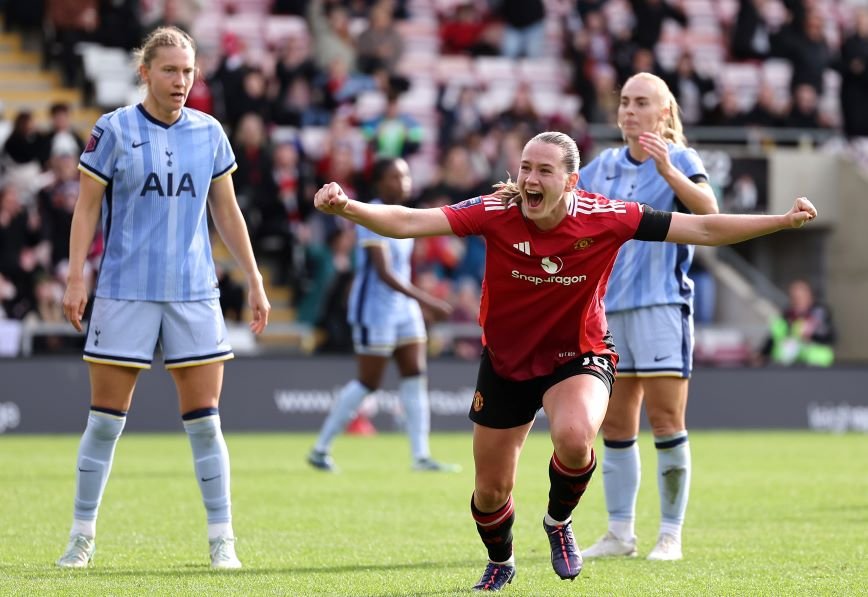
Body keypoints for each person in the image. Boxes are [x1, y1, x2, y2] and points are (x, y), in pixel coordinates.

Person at [312, 130, 817, 590]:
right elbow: (408, 222)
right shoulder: (495, 211)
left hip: (579, 355)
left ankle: (558, 522)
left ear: (571, 180)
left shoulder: (608, 217)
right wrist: (348, 208)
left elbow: (704, 230)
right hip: (506, 361)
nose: (530, 179)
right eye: (526, 168)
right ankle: (502, 560)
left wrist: (782, 221)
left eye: (544, 170)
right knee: (489, 493)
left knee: (575, 438)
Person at [55, 26, 271, 570]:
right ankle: (81, 537)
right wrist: (76, 277)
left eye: (188, 70)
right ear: (144, 72)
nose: (181, 81)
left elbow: (226, 211)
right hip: (125, 292)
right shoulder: (113, 130)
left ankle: (223, 540)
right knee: (104, 421)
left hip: (194, 293)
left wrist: (255, 278)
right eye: (170, 70)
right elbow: (85, 210)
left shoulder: (209, 132)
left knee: (205, 422)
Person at [576, 71, 718, 562]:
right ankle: (619, 533)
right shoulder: (601, 167)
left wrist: (670, 174)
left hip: (662, 305)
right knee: (615, 424)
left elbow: (710, 213)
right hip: (609, 310)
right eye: (625, 102)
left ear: (664, 112)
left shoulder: (681, 159)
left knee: (664, 419)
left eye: (641, 103)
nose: (630, 110)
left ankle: (671, 534)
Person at [307, 157, 459, 473]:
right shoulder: (370, 213)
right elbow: (384, 272)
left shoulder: (404, 215)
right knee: (368, 382)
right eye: (393, 177)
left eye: (404, 176)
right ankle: (320, 448)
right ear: (379, 183)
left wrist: (418, 303)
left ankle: (421, 456)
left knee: (415, 376)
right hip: (375, 310)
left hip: (403, 309)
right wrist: (428, 301)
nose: (402, 182)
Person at [759, 279, 835, 367]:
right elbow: (772, 340)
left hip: (815, 366)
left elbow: (829, 337)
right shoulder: (785, 317)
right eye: (793, 297)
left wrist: (810, 336)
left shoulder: (819, 315)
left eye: (800, 297)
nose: (797, 301)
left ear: (809, 297)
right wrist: (761, 354)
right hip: (785, 366)